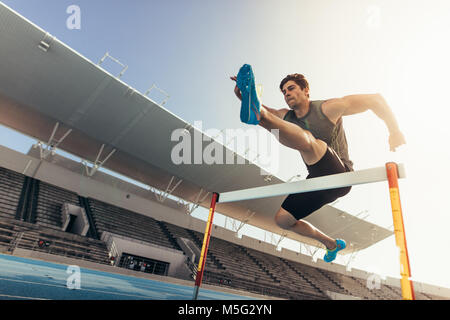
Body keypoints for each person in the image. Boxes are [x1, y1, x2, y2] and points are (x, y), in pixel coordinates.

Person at [231, 64, 406, 262]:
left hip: (341, 174)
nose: (286, 93)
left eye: (291, 88)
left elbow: (375, 99)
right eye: (283, 92)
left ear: (306, 91)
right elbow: (265, 112)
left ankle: (258, 114)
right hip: (318, 179)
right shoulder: (284, 115)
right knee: (283, 220)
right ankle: (331, 244)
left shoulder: (328, 108)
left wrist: (394, 130)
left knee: (309, 141)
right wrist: (243, 96)